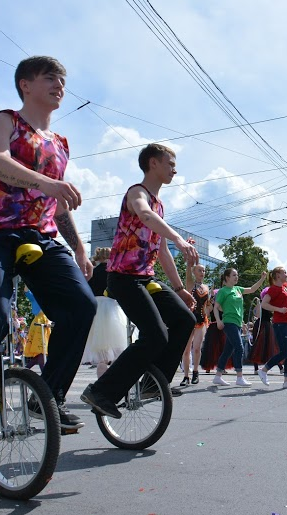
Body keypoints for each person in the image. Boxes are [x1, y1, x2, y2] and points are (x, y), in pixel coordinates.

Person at [0, 56, 97, 441]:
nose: (60, 85)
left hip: (41, 237)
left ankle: (47, 396)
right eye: (50, 78)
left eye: (63, 80)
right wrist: (45, 182)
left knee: (82, 306)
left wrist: (78, 248)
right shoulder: (4, 120)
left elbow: (57, 204)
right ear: (25, 84)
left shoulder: (60, 144)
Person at [80, 143, 198, 420]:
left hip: (146, 278)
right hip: (123, 277)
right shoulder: (137, 193)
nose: (174, 169)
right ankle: (102, 391)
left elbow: (163, 252)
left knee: (185, 320)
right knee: (155, 334)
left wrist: (180, 289)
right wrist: (179, 239)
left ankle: (151, 385)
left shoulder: (161, 206)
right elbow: (144, 215)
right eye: (170, 163)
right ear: (153, 163)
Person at [212, 268, 267, 387]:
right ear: (227, 277)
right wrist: (218, 321)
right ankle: (239, 377)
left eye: (237, 275)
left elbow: (252, 289)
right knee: (239, 347)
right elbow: (215, 307)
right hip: (228, 322)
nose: (236, 277)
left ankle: (217, 376)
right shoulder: (223, 291)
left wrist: (262, 279)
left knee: (228, 351)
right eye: (233, 275)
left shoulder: (238, 289)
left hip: (236, 323)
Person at [83, 247, 128, 378]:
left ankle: (101, 383)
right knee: (119, 348)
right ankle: (115, 379)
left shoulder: (93, 272)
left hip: (95, 309)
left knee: (101, 355)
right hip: (111, 307)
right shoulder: (112, 272)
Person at [258, 265, 287, 389]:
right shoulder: (273, 289)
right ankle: (264, 370)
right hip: (280, 324)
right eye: (284, 272)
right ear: (278, 275)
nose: (286, 274)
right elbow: (264, 304)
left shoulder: (286, 287)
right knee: (284, 351)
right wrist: (278, 309)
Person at [182, 263, 211, 385]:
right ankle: (186, 376)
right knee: (186, 349)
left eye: (203, 270)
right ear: (194, 272)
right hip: (189, 319)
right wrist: (189, 261)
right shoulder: (190, 284)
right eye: (199, 270)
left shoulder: (206, 287)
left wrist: (208, 315)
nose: (202, 273)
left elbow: (206, 305)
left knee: (197, 348)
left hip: (201, 320)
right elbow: (188, 273)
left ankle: (195, 372)